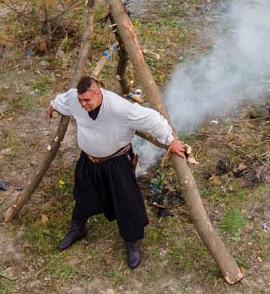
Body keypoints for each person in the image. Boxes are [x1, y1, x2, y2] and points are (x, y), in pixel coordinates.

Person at [47, 76, 186, 269]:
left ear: (98, 93)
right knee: (84, 196)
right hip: (88, 160)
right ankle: (78, 229)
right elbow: (65, 100)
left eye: (87, 100)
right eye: (81, 101)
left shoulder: (120, 108)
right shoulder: (75, 99)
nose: (83, 105)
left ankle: (132, 243)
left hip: (116, 164)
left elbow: (153, 119)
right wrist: (54, 105)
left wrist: (170, 140)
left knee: (126, 202)